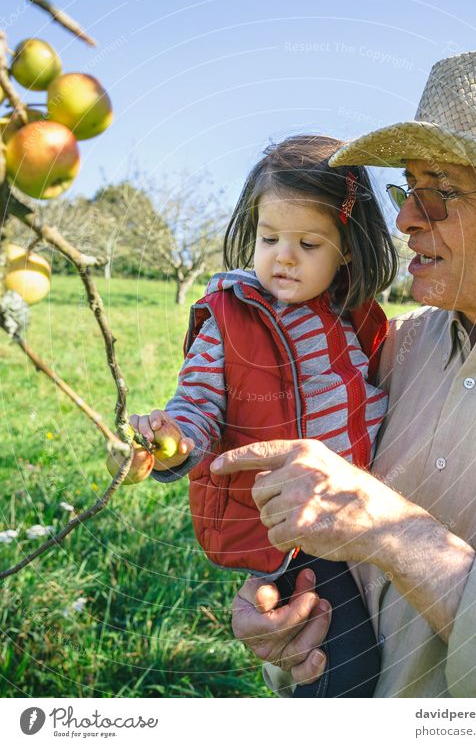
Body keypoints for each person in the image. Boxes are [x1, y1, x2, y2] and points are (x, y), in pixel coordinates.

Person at [215, 48, 476, 697]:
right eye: (410, 189)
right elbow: (329, 556)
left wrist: (399, 534)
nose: (406, 217)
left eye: (441, 194)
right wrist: (282, 619)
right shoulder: (388, 354)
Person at [129, 134, 398, 697]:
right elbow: (197, 403)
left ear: (346, 248)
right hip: (294, 532)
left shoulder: (354, 319)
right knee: (344, 669)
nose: (283, 256)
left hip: (365, 517)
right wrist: (173, 441)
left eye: (308, 242)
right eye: (269, 237)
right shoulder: (230, 319)